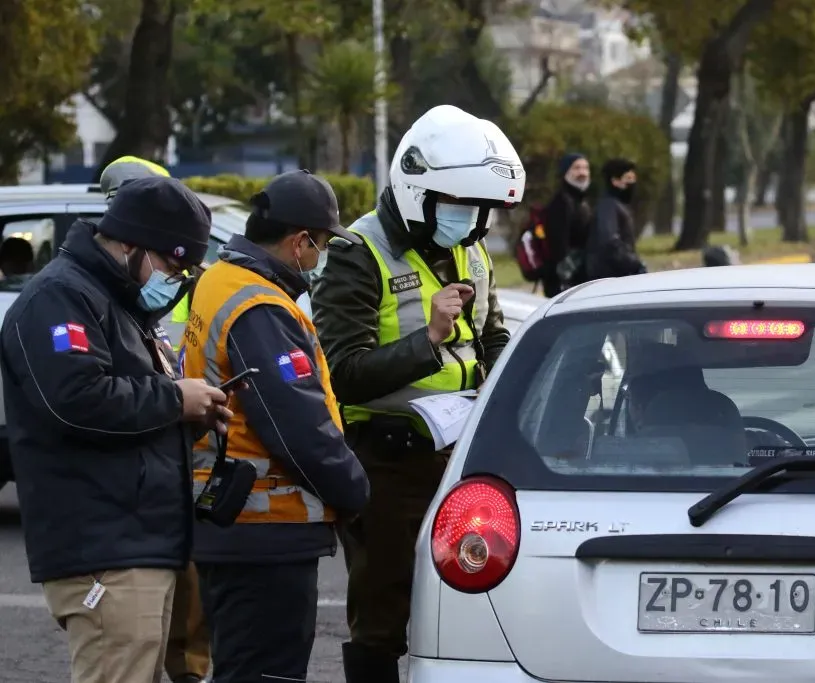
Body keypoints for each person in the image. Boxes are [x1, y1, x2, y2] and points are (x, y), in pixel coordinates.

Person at [311, 104, 524, 683]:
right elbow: (342, 370)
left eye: (481, 209)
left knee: (471, 596)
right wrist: (428, 340)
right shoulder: (357, 253)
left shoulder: (471, 248)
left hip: (462, 457)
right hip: (386, 461)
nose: (473, 219)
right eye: (460, 206)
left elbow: (493, 337)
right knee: (383, 610)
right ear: (417, 193)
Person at [0, 176, 230, 683]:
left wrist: (190, 416)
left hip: (139, 541)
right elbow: (76, 401)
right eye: (173, 264)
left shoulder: (121, 301)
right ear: (130, 243)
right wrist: (176, 399)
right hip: (104, 547)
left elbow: (129, 415)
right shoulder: (59, 299)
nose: (178, 279)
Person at [181, 169, 370, 683]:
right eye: (322, 244)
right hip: (265, 529)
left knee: (241, 666)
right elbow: (298, 427)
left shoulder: (221, 279)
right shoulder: (259, 305)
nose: (321, 256)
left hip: (230, 519)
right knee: (266, 672)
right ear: (299, 242)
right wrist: (355, 492)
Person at [99, 155, 211, 683]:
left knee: (183, 603)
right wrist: (175, 399)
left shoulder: (177, 269)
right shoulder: (104, 288)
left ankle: (188, 668)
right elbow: (90, 399)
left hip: (182, 448)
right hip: (145, 470)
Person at [585, 157, 646, 281]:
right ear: (615, 181)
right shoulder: (609, 206)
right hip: (610, 276)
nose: (633, 183)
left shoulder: (616, 205)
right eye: (628, 179)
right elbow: (610, 242)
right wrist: (633, 264)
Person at [541, 152, 592, 297]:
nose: (582, 173)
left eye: (585, 168)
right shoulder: (561, 202)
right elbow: (558, 245)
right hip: (564, 282)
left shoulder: (580, 200)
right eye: (576, 168)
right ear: (565, 173)